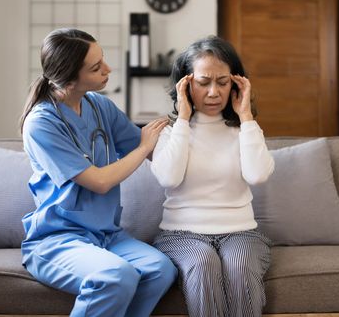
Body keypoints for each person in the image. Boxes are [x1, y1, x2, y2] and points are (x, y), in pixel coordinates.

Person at [19, 28, 177, 317]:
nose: (108, 69)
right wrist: (143, 148)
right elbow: (100, 182)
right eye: (96, 67)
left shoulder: (100, 105)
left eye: (102, 59)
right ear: (68, 78)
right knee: (115, 275)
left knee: (160, 269)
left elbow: (157, 151)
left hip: (106, 236)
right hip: (58, 240)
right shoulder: (41, 123)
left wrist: (191, 123)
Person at [150, 35, 275, 317]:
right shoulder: (170, 133)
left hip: (240, 232)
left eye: (222, 81)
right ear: (185, 84)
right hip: (181, 234)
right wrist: (183, 118)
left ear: (236, 82)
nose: (213, 92)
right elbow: (169, 178)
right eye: (203, 82)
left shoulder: (246, 130)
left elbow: (257, 175)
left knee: (240, 264)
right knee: (203, 261)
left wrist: (246, 117)